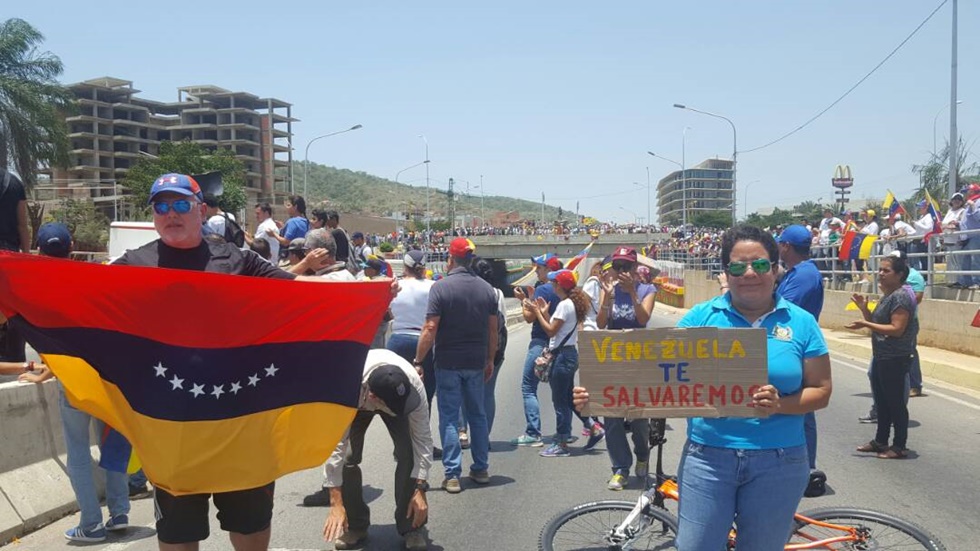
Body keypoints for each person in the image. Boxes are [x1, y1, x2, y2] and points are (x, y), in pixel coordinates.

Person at [111, 173, 333, 551]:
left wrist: (369, 295)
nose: (171, 213)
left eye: (181, 204)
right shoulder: (132, 264)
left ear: (200, 209)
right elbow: (80, 303)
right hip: (172, 430)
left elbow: (295, 295)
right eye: (161, 206)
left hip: (241, 421)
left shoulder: (236, 258)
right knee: (179, 537)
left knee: (249, 532)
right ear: (153, 215)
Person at [576, 225, 832, 550]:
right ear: (726, 271)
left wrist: (779, 403)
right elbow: (654, 370)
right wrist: (597, 393)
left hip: (780, 462)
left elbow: (821, 391)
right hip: (708, 460)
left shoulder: (801, 322)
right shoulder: (700, 317)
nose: (749, 273)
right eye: (738, 267)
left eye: (761, 264)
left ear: (776, 267)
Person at [16, 222, 133, 543]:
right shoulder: (91, 278)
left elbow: (54, 344)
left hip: (74, 382)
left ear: (39, 252)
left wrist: (43, 373)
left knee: (78, 450)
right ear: (71, 248)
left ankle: (91, 524)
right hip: (106, 377)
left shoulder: (40, 288)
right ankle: (119, 512)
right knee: (110, 440)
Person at [321, 349, 432, 551]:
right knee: (348, 458)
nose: (400, 408)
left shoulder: (413, 386)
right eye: (394, 406)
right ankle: (356, 526)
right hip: (358, 402)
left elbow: (423, 441)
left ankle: (411, 527)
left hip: (382, 393)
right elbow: (335, 445)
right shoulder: (346, 387)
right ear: (373, 397)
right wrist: (335, 502)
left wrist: (421, 487)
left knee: (407, 453)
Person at [414, 237, 497, 494]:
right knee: (478, 415)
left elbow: (430, 327)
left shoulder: (441, 288)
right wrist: (490, 359)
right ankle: (481, 468)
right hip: (476, 361)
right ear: (470, 259)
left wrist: (418, 359)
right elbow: (493, 330)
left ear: (450, 259)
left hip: (448, 362)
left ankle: (452, 475)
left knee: (450, 418)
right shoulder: (487, 290)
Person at [596, 246, 656, 491]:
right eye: (617, 267)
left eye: (626, 267)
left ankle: (642, 454)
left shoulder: (647, 289)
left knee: (639, 417)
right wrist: (608, 298)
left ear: (634, 268)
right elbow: (601, 324)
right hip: (613, 362)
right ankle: (620, 468)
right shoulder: (607, 290)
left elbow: (643, 319)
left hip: (639, 362)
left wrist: (632, 293)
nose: (621, 272)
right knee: (611, 417)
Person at [848, 254, 918, 460]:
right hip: (882, 356)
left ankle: (899, 446)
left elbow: (896, 329)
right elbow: (879, 324)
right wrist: (864, 311)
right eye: (880, 270)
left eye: (886, 271)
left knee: (895, 403)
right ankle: (880, 440)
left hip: (895, 357)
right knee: (882, 401)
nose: (880, 274)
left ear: (900, 275)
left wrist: (866, 325)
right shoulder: (888, 295)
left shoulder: (901, 297)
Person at [775, 225, 827, 497]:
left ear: (786, 246)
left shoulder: (804, 275)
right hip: (793, 344)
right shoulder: (800, 272)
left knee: (801, 410)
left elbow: (782, 308)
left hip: (797, 346)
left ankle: (805, 469)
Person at [531, 270, 589, 458]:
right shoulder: (570, 304)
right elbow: (558, 331)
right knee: (566, 397)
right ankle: (591, 427)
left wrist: (539, 314)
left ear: (560, 286)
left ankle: (562, 441)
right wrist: (546, 314)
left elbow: (549, 331)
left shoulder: (564, 305)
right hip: (569, 354)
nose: (552, 286)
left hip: (563, 356)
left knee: (560, 401)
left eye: (554, 283)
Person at [510, 253, 563, 447]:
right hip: (560, 344)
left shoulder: (543, 290)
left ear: (548, 270)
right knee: (561, 390)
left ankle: (533, 431)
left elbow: (529, 317)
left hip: (541, 342)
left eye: (539, 268)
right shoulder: (563, 290)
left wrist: (524, 300)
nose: (537, 272)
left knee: (528, 387)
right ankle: (572, 429)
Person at [459, 257, 509, 439]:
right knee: (488, 394)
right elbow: (502, 323)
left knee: (464, 391)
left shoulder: (466, 291)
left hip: (470, 347)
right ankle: (483, 436)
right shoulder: (497, 293)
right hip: (494, 349)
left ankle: (462, 430)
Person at [0, 169, 30, 364]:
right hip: (8, 255)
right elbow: (22, 225)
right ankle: (15, 358)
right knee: (12, 309)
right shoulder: (14, 182)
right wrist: (26, 257)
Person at [942, 193, 967, 287]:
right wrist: (946, 226)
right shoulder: (950, 211)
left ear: (962, 201)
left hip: (957, 240)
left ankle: (961, 282)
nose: (956, 201)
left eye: (959, 199)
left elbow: (959, 225)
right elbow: (944, 225)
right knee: (951, 262)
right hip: (948, 239)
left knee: (958, 262)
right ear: (951, 201)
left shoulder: (962, 211)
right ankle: (954, 281)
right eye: (955, 199)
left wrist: (947, 226)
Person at [959, 191, 980, 289]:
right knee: (965, 262)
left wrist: (973, 206)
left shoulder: (977, 202)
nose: (965, 194)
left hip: (975, 236)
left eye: (967, 191)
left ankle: (977, 282)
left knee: (975, 260)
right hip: (966, 238)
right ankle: (967, 282)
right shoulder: (969, 203)